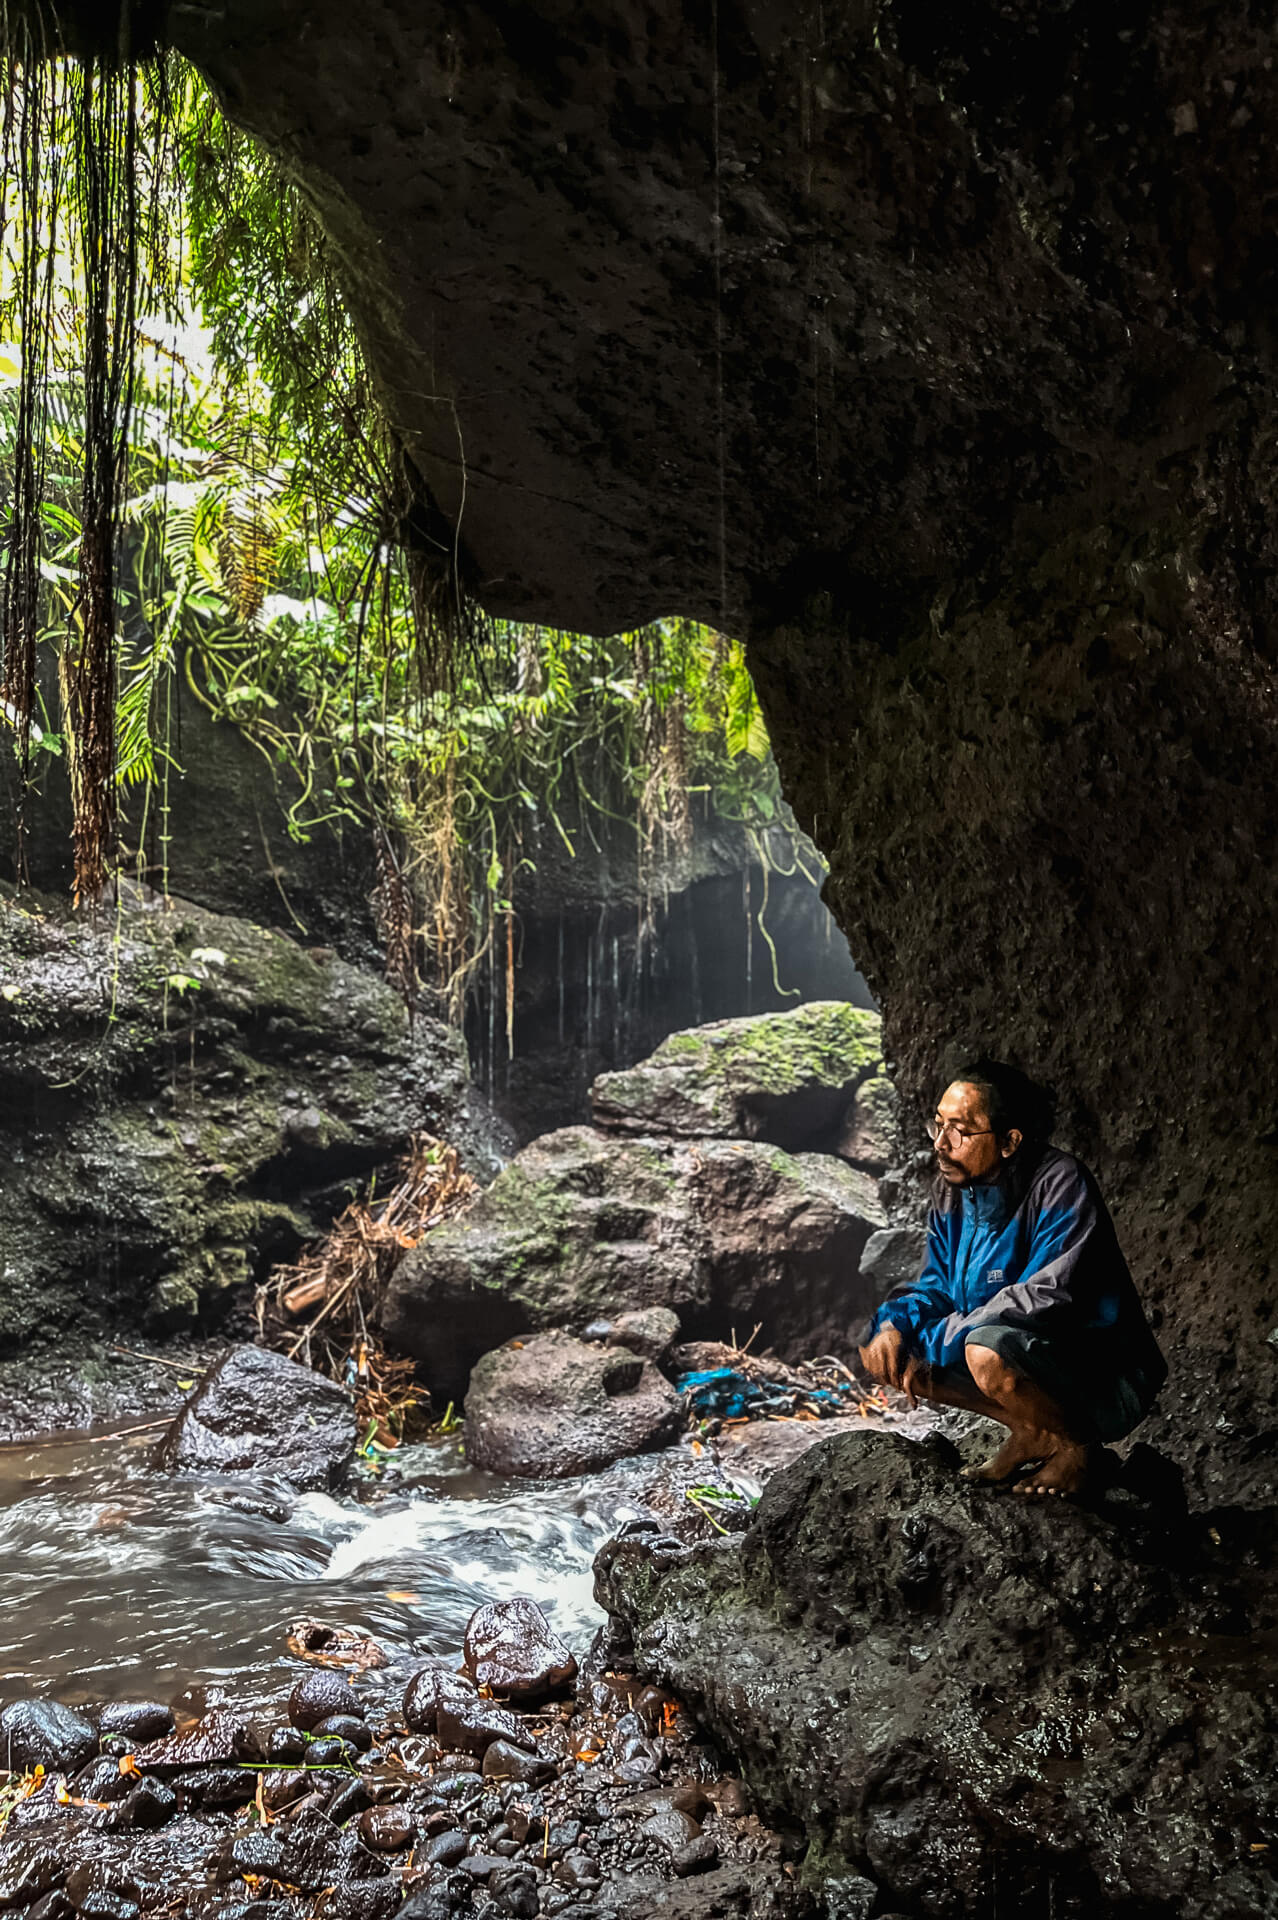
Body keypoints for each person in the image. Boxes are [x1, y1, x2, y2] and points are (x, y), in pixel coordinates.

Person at [858, 1058, 1166, 1498]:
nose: (941, 1145)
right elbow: (938, 1284)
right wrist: (894, 1324)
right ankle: (1032, 1432)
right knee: (901, 1354)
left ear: (1009, 1141)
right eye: (938, 1126)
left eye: (960, 1131)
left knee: (984, 1350)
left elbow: (1048, 1297)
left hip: (1100, 1371)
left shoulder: (1061, 1183)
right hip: (1013, 1351)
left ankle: (1078, 1449)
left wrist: (944, 1337)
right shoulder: (952, 1192)